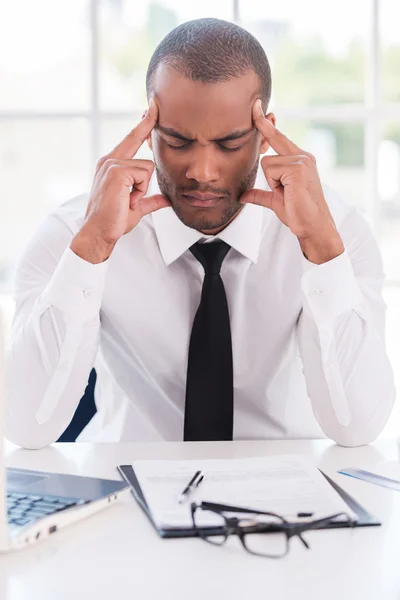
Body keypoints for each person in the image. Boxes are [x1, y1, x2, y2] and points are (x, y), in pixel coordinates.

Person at [5, 18, 395, 449]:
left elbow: (356, 428)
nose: (202, 172)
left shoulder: (335, 233)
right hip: (125, 488)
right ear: (147, 131)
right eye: (177, 142)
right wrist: (91, 249)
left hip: (292, 496)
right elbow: (27, 427)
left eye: (229, 145)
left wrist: (321, 251)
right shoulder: (73, 232)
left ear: (266, 136)